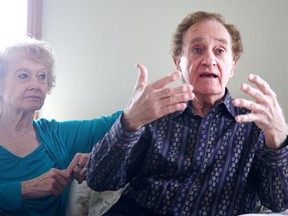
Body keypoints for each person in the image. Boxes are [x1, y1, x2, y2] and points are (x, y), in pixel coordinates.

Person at [86, 11, 288, 216]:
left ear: (232, 65)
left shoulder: (256, 123)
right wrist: (128, 123)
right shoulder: (153, 113)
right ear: (178, 63)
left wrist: (278, 136)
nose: (209, 59)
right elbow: (98, 180)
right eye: (197, 49)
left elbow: (280, 201)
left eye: (219, 51)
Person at [0, 38, 122, 216]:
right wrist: (24, 189)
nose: (36, 85)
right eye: (23, 75)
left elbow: (116, 122)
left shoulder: (56, 135)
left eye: (42, 76)